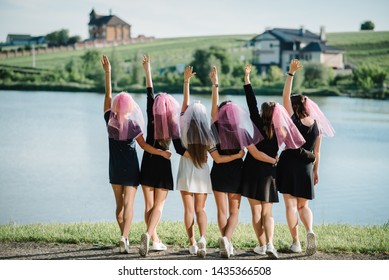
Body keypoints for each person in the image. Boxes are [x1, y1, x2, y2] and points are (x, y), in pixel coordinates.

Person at [101, 55, 171, 254]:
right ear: (130, 107)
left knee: (119, 206)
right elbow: (144, 147)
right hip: (131, 169)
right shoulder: (133, 125)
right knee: (129, 204)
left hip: (114, 168)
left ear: (115, 106)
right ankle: (124, 237)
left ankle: (124, 237)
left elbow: (107, 95)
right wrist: (161, 152)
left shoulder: (109, 120)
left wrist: (108, 73)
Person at [242, 65, 306, 259]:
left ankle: (261, 245)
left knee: (256, 211)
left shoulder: (255, 120)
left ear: (262, 113)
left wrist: (247, 78)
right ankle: (270, 244)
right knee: (267, 213)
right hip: (270, 171)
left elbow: (250, 101)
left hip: (251, 169)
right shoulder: (282, 130)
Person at [276, 59, 335, 256]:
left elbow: (284, 95)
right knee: (304, 205)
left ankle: (296, 243)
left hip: (288, 164)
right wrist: (316, 172)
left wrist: (290, 74)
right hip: (307, 167)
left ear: (292, 106)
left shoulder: (292, 120)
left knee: (290, 205)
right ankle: (310, 230)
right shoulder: (316, 125)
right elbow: (317, 152)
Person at [139, 55, 180, 257]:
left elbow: (149, 93)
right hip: (163, 163)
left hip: (147, 161)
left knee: (148, 205)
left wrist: (148, 71)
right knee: (159, 205)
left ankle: (153, 238)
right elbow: (180, 146)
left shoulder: (151, 117)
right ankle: (149, 234)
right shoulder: (173, 123)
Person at [173, 66, 215, 258]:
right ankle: (203, 238)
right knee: (201, 209)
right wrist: (215, 84)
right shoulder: (208, 133)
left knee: (188, 209)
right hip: (202, 171)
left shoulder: (182, 126)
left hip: (185, 169)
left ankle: (192, 244)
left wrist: (186, 81)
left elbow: (184, 104)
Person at [208, 66, 249, 258]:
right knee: (234, 211)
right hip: (236, 173)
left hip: (218, 172)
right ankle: (227, 240)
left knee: (221, 211)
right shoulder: (242, 132)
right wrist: (238, 155)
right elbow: (253, 150)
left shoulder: (214, 129)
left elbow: (213, 112)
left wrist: (215, 84)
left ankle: (226, 241)